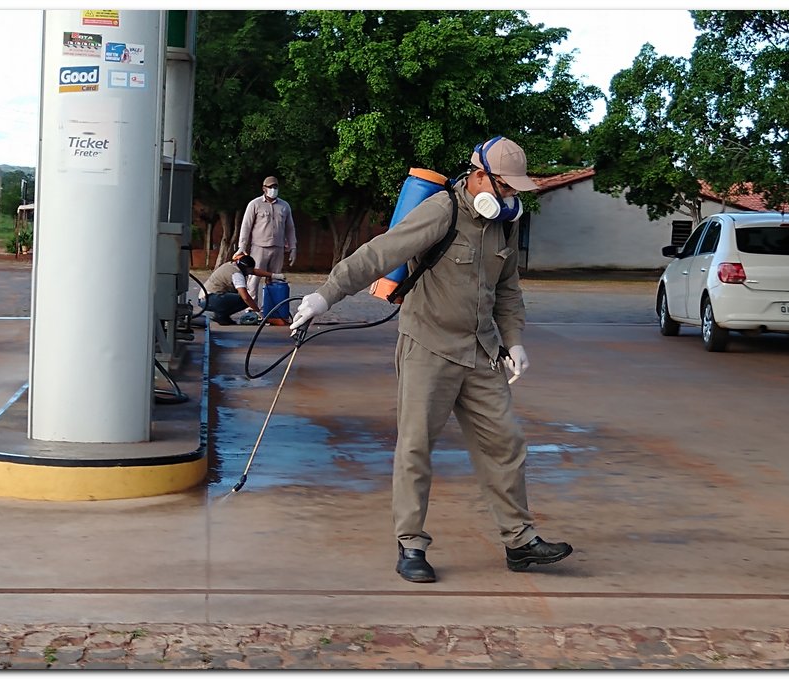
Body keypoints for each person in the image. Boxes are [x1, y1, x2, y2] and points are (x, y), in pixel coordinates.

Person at [289, 136, 572, 583]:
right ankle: (411, 545)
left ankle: (519, 541)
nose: (513, 197)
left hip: (480, 350)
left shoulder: (505, 224)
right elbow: (378, 254)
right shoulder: (443, 211)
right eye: (506, 187)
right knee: (416, 447)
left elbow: (507, 288)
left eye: (516, 189)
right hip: (429, 347)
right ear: (479, 176)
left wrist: (514, 340)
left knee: (507, 442)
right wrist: (325, 297)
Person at [235, 176, 297, 307]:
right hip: (259, 247)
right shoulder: (255, 204)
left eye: (275, 187)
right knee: (253, 279)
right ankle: (252, 310)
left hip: (278, 248)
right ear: (264, 189)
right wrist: (242, 246)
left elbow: (290, 228)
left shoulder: (284, 206)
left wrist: (293, 247)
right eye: (270, 187)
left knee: (275, 279)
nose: (273, 190)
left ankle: (272, 310)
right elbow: (246, 226)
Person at [200, 254, 285, 325]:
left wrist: (274, 276)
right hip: (210, 299)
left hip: (206, 298)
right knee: (243, 300)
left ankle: (222, 316)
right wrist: (258, 312)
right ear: (246, 268)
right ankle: (221, 316)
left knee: (237, 296)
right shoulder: (237, 274)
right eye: (250, 270)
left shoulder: (233, 265)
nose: (250, 272)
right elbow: (245, 297)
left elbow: (255, 271)